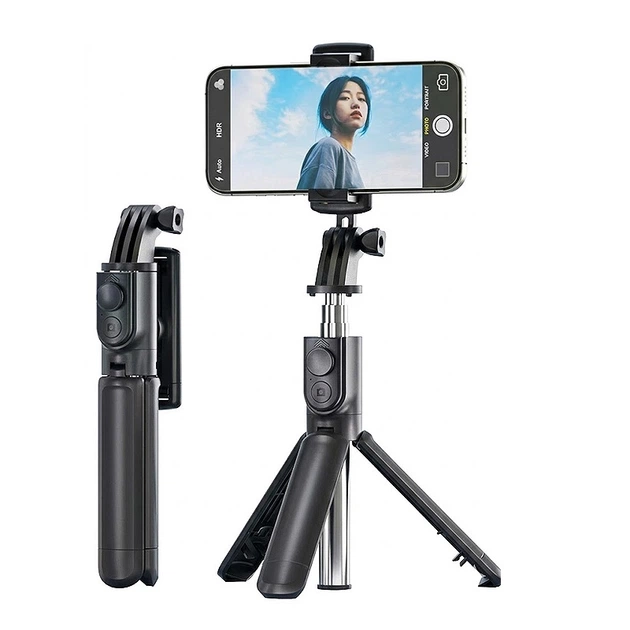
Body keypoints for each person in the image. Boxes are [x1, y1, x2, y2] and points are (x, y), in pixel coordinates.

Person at [297, 75, 371, 190]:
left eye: (361, 99)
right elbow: (319, 199)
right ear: (327, 113)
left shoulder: (348, 160)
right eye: (345, 97)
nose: (356, 104)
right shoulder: (329, 146)